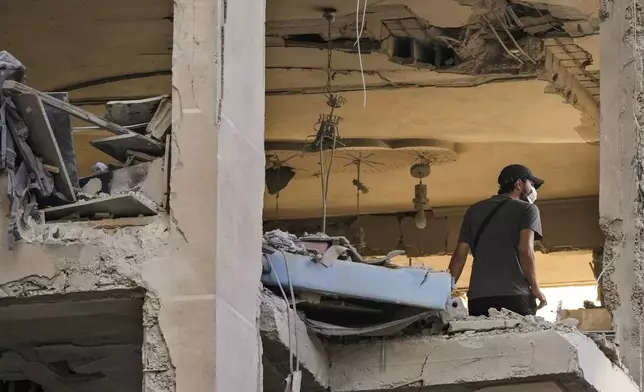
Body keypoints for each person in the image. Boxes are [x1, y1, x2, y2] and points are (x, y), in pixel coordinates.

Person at [448, 164, 547, 316]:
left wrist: (445, 290)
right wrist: (535, 287)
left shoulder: (474, 210)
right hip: (515, 295)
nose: (533, 189)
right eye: (531, 184)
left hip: (479, 298)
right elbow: (526, 250)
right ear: (519, 184)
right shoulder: (528, 210)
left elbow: (459, 256)